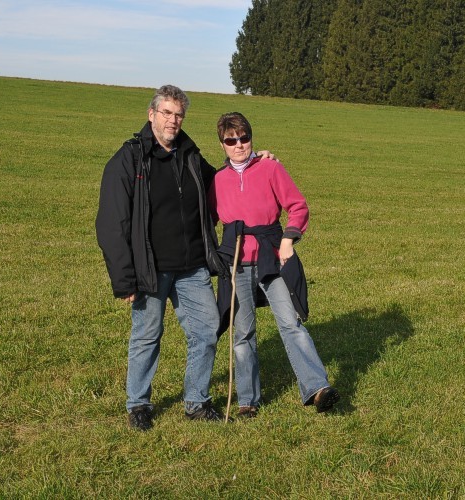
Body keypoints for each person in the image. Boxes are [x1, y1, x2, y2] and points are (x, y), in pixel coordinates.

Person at [95, 86, 275, 431]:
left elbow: (222, 182)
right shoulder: (129, 159)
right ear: (151, 114)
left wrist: (255, 163)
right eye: (166, 113)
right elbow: (111, 223)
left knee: (207, 330)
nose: (172, 120)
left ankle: (196, 401)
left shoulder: (189, 154)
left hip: (192, 266)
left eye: (178, 114)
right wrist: (124, 277)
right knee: (147, 335)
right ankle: (138, 404)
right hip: (151, 269)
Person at [209, 112, 339, 419]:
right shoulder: (217, 179)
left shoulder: (270, 168)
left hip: (271, 255)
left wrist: (288, 239)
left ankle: (317, 388)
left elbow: (297, 206)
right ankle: (247, 400)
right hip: (237, 260)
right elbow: (206, 220)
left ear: (251, 138)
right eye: (231, 140)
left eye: (244, 138)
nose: (239, 145)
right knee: (242, 333)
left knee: (290, 322)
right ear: (223, 144)